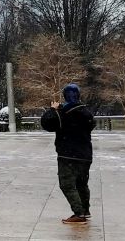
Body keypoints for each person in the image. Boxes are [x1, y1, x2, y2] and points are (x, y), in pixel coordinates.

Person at [40, 82, 95, 224]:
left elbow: (47, 123)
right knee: (82, 183)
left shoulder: (63, 114)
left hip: (67, 154)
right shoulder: (86, 112)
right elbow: (91, 124)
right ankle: (85, 210)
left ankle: (79, 213)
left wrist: (53, 109)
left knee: (67, 184)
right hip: (85, 155)